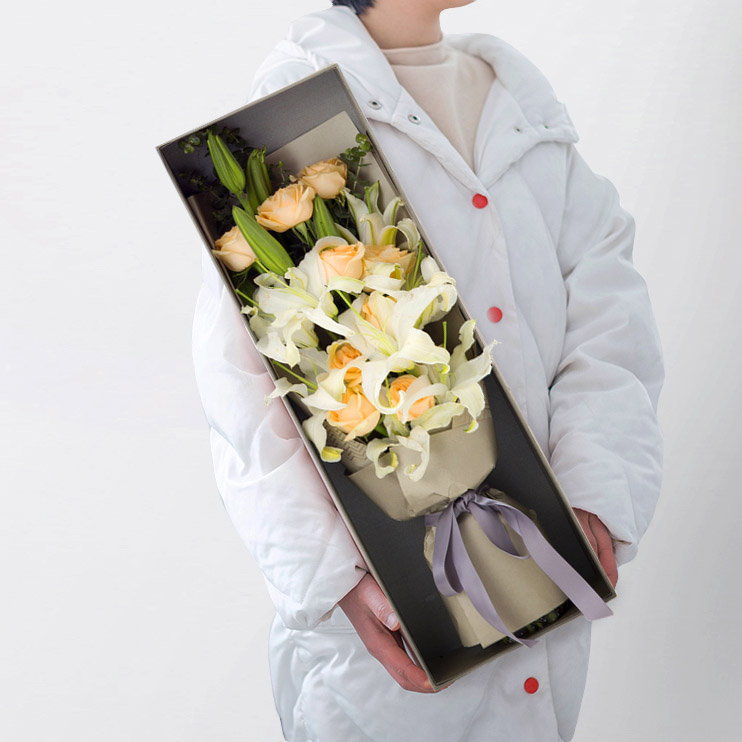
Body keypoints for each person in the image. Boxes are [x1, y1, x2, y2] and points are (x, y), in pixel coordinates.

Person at [191, 1, 665, 740]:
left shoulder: (520, 105)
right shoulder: (288, 118)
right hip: (391, 632)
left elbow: (610, 319)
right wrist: (335, 583)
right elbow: (242, 389)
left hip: (543, 567)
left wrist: (597, 490)